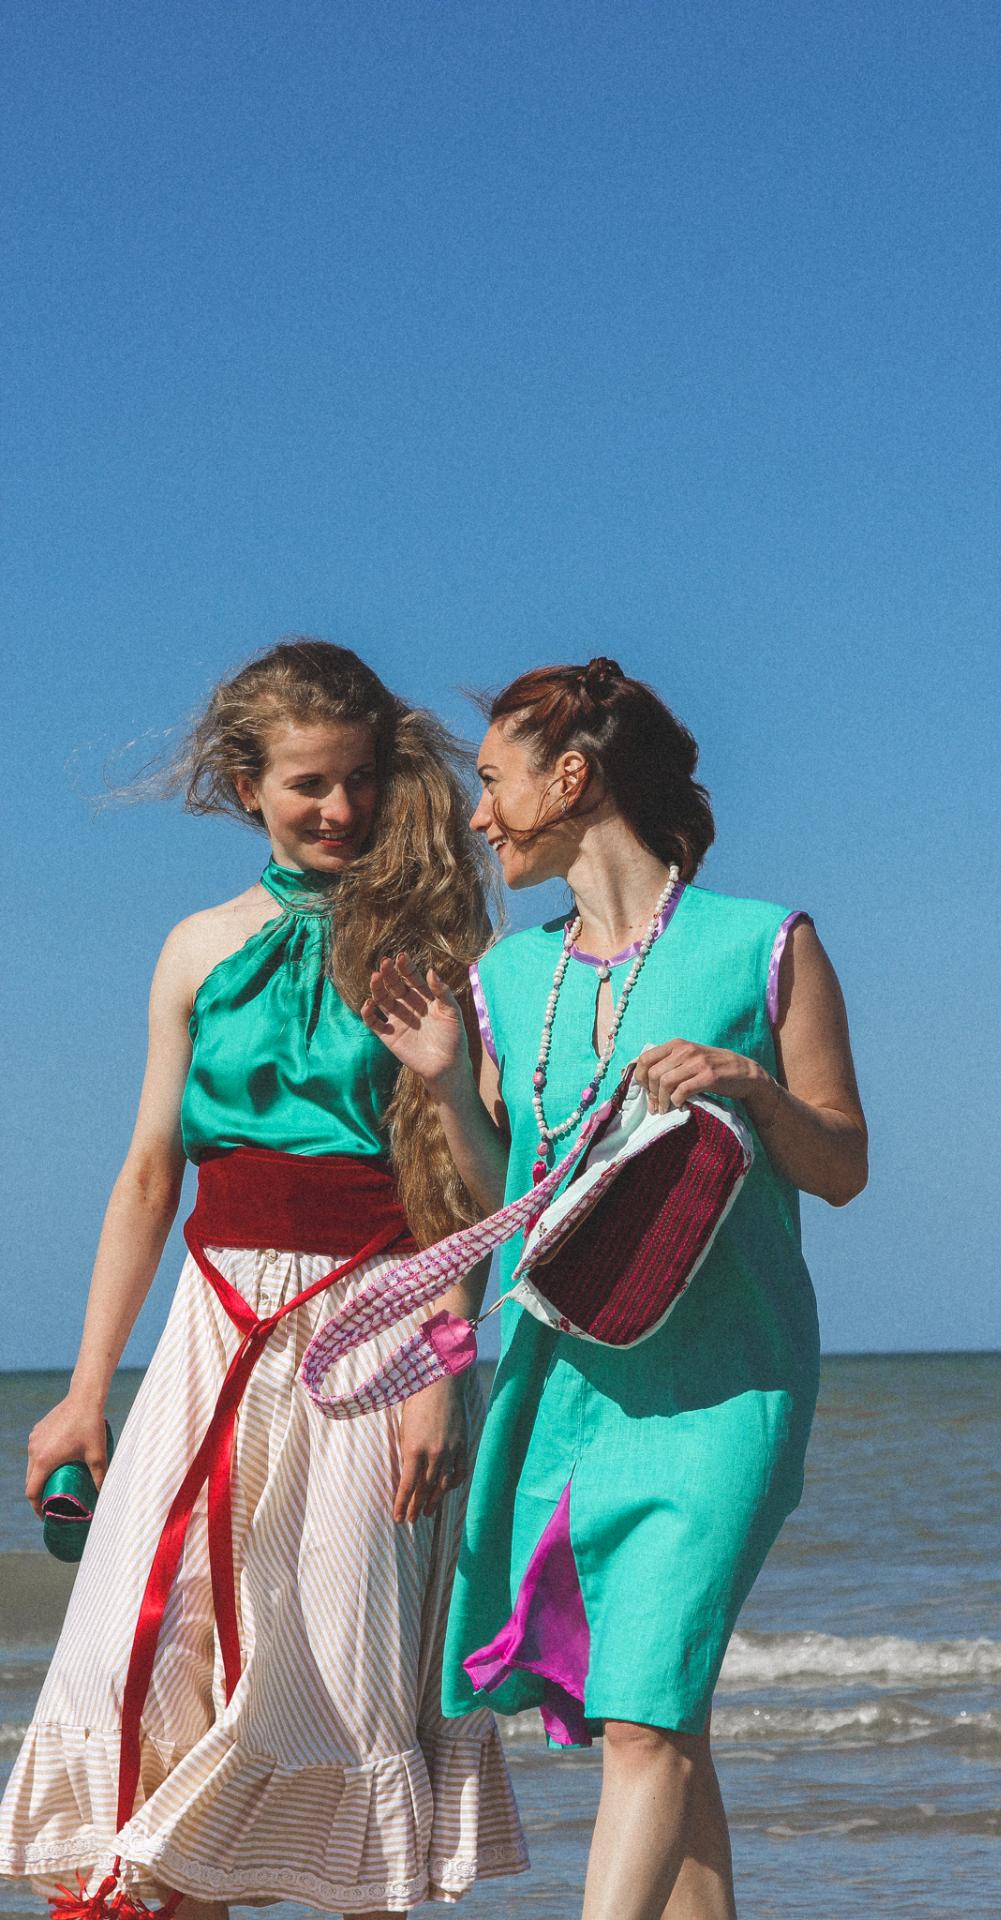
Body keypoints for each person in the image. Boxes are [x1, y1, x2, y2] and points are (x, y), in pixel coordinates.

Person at [0, 641, 528, 1917]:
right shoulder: (196, 947)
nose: (339, 808)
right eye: (308, 784)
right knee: (145, 1655)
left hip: (383, 1333)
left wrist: (443, 1366)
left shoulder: (439, 940)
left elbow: (478, 1186)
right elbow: (147, 1177)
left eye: (358, 779)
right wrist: (85, 1391)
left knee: (344, 1675)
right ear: (249, 787)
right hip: (214, 1330)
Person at [363, 656, 868, 1920]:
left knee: (645, 1716)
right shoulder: (506, 982)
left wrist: (750, 1089)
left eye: (495, 782)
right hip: (564, 1390)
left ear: (572, 779)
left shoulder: (764, 944)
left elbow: (845, 1165)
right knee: (660, 1721)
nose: (478, 814)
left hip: (726, 1388)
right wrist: (444, 1081)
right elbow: (506, 1196)